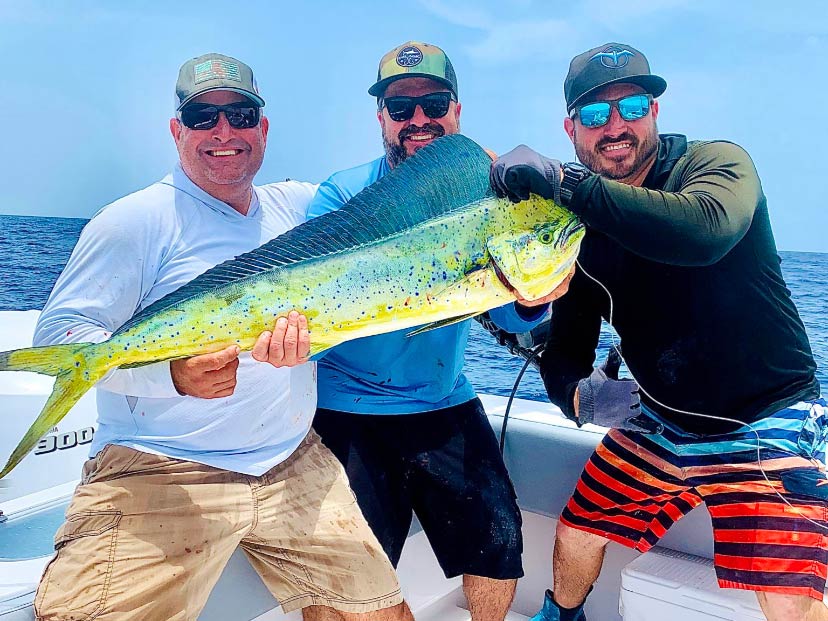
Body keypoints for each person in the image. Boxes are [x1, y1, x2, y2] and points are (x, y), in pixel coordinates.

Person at [32, 52, 412, 621]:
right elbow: (66, 336)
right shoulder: (134, 221)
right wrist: (171, 376)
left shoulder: (302, 207)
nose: (224, 132)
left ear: (262, 128)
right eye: (203, 118)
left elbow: (392, 201)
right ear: (176, 131)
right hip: (162, 466)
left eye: (239, 114)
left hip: (291, 461)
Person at [490, 42, 827, 621]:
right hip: (660, 420)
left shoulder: (716, 164)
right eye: (595, 114)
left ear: (656, 112)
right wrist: (578, 394)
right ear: (571, 126)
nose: (614, 126)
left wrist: (563, 184)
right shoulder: (576, 231)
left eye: (633, 106)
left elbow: (704, 233)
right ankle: (560, 616)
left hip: (765, 416)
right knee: (576, 533)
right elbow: (566, 346)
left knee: (788, 584)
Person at [304, 41, 571, 621]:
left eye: (434, 103)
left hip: (443, 399)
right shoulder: (343, 192)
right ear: (382, 119)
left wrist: (534, 301)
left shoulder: (492, 195)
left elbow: (509, 315)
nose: (418, 120)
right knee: (340, 579)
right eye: (401, 109)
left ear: (457, 110)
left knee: (499, 543)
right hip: (347, 409)